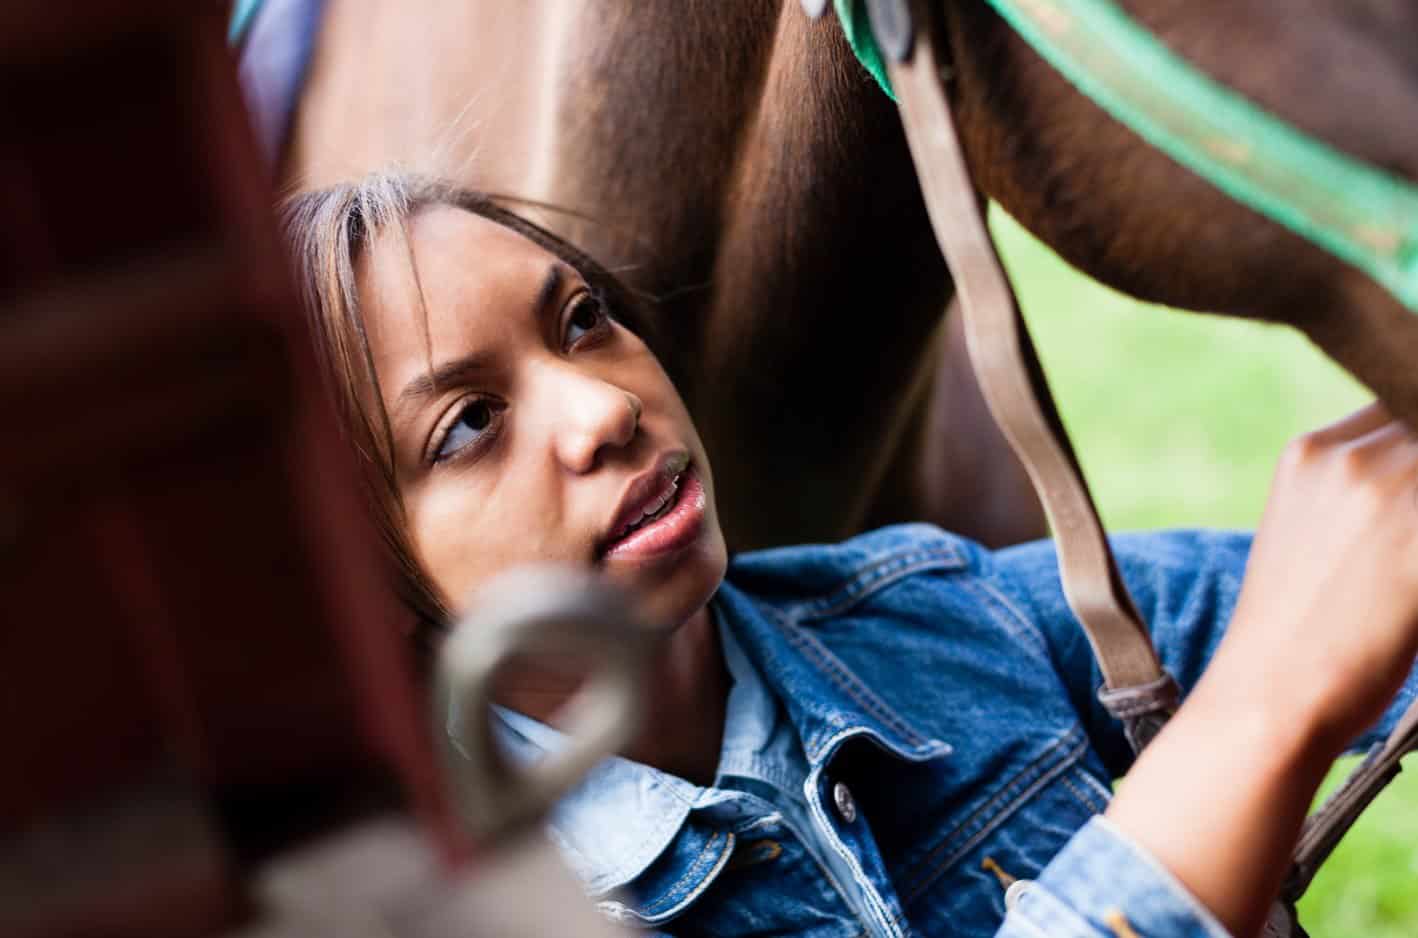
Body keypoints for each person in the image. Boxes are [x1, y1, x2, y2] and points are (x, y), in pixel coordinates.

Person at [282, 172, 1418, 938]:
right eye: (469, 423)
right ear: (352, 576)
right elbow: (1278, 661)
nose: (600, 407)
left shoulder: (943, 613)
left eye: (581, 318)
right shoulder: (460, 906)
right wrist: (1256, 716)